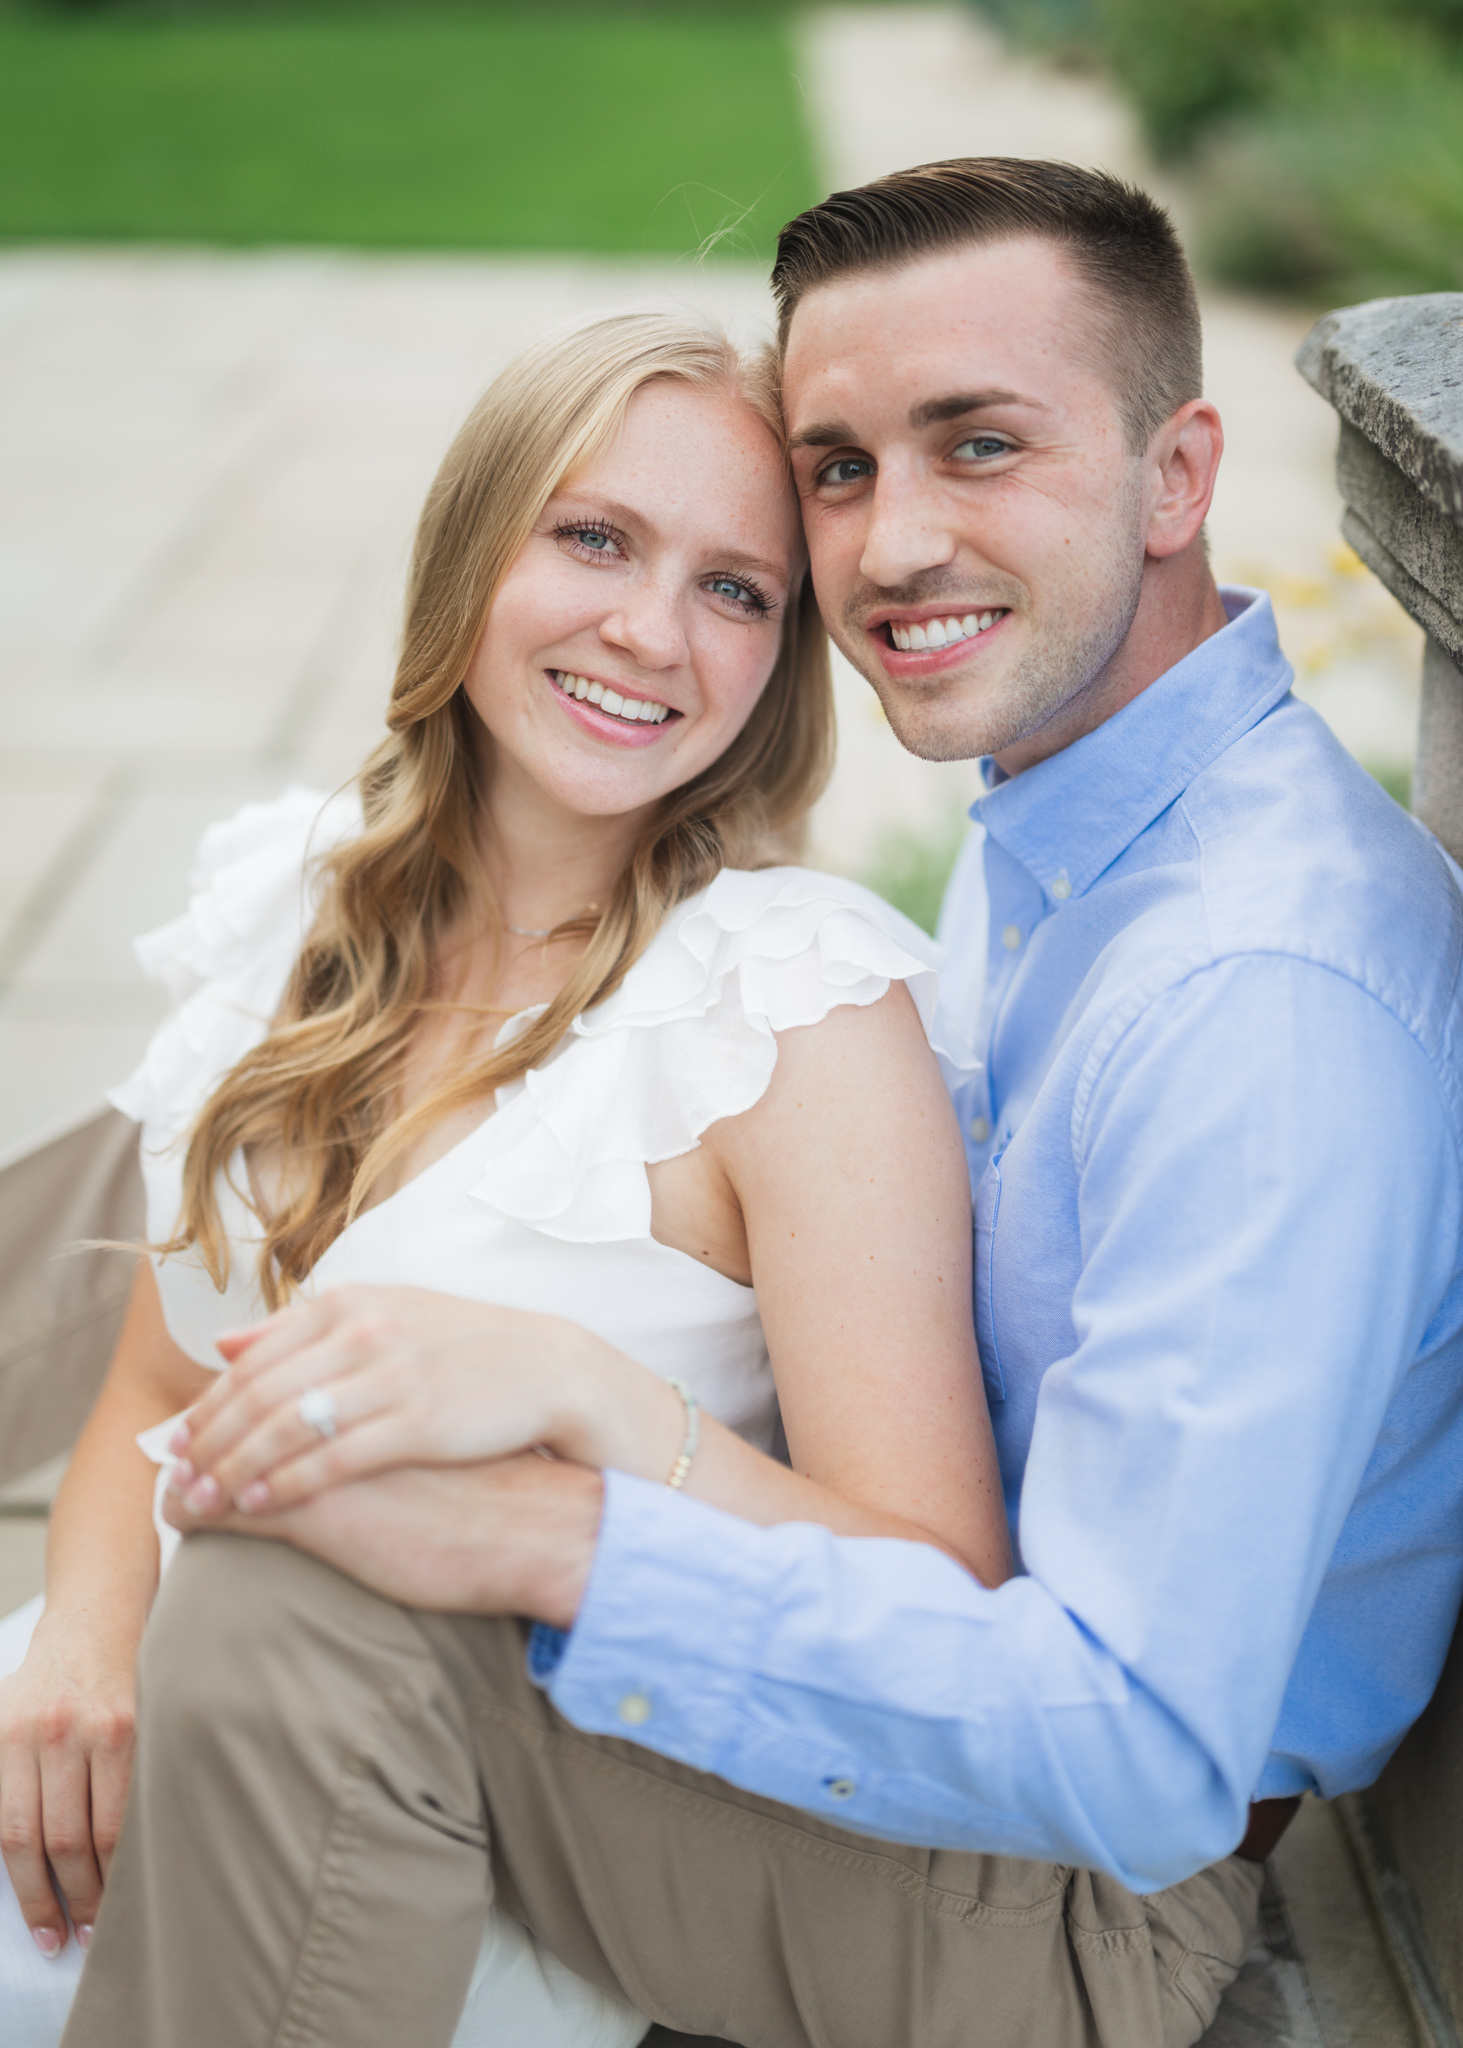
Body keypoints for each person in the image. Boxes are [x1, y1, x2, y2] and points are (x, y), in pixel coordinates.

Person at [42, 158, 1463, 2048]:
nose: (887, 550)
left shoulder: (1260, 1000)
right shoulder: (1077, 812)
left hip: (1069, 1897)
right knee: (103, 1212)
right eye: (846, 469)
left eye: (979, 444)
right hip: (929, 1722)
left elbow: (1134, 1756)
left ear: (1181, 474)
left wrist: (563, 1504)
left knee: (315, 1568)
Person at [0, 309, 1013, 2048]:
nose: (648, 630)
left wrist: (593, 1397)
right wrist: (81, 1646)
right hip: (122, 1722)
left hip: (418, 1830)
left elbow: (942, 1595)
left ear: (785, 654)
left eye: (736, 589)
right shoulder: (309, 898)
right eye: (595, 537)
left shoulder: (787, 1008)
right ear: (475, 546)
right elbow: (158, 1382)